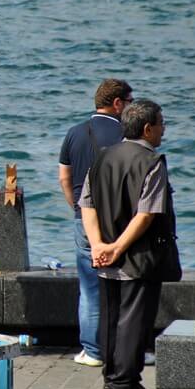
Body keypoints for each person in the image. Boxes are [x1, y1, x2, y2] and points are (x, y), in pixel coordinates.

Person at [80, 99, 179, 389]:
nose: (163, 129)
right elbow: (147, 215)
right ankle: (125, 383)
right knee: (135, 321)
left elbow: (87, 205)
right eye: (161, 124)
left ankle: (112, 379)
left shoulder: (102, 158)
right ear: (148, 129)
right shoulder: (152, 162)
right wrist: (117, 247)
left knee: (110, 320)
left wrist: (98, 245)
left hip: (104, 256)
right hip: (137, 257)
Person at [58, 79, 133, 367]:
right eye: (129, 101)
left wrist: (77, 206)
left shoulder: (75, 133)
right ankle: (125, 349)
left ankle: (92, 351)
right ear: (117, 103)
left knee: (89, 287)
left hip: (83, 218)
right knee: (125, 285)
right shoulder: (127, 134)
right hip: (120, 220)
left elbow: (64, 177)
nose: (130, 107)